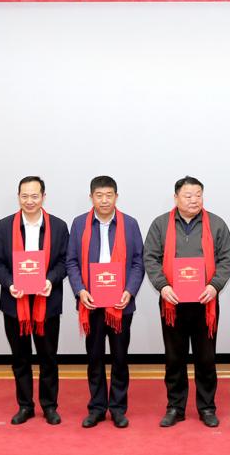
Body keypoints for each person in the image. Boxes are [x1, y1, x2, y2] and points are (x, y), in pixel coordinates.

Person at [144, 176, 230, 428]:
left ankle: (207, 407)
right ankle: (175, 407)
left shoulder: (216, 224)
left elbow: (227, 258)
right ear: (176, 198)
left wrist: (214, 286)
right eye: (188, 195)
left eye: (198, 195)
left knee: (206, 358)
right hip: (172, 303)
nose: (194, 200)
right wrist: (163, 286)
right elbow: (150, 257)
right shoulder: (160, 224)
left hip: (206, 303)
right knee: (174, 358)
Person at [0, 176, 70, 425]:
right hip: (15, 303)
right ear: (18, 197)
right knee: (20, 358)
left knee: (48, 358)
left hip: (47, 303)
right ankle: (25, 406)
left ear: (44, 197)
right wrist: (10, 283)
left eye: (35, 196)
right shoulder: (5, 226)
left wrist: (50, 280)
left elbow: (65, 261)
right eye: (25, 196)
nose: (29, 201)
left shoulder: (58, 226)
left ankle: (49, 406)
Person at [65, 175, 145, 429]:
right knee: (95, 358)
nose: (104, 200)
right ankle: (97, 408)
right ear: (91, 197)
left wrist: (130, 291)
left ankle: (118, 408)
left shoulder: (130, 224)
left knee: (120, 358)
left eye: (109, 195)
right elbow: (71, 262)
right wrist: (80, 290)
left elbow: (138, 262)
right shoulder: (79, 224)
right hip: (91, 303)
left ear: (116, 197)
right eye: (99, 196)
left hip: (121, 304)